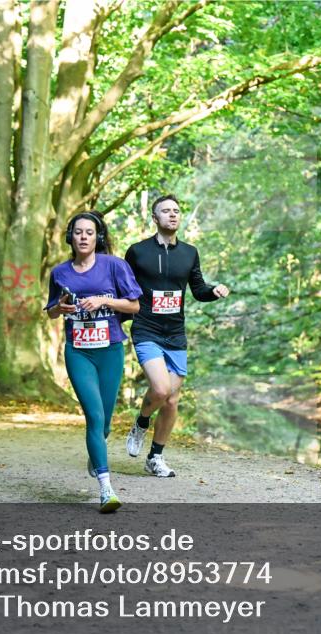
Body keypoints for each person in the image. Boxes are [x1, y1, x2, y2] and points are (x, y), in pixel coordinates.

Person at [122, 194, 229, 477]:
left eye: (176, 211)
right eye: (166, 211)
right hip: (146, 329)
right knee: (160, 389)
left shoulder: (189, 252)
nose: (172, 215)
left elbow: (198, 289)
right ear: (155, 218)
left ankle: (155, 457)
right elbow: (125, 290)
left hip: (175, 333)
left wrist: (214, 291)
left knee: (171, 400)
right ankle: (141, 423)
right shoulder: (137, 251)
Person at [46, 210, 141, 513]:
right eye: (78, 232)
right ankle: (106, 487)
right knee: (94, 416)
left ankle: (95, 452)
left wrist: (104, 300)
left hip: (110, 349)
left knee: (106, 424)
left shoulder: (114, 266)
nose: (84, 237)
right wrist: (59, 308)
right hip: (79, 352)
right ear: (70, 237)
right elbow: (50, 310)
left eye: (89, 232)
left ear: (97, 237)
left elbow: (135, 305)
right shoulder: (60, 272)